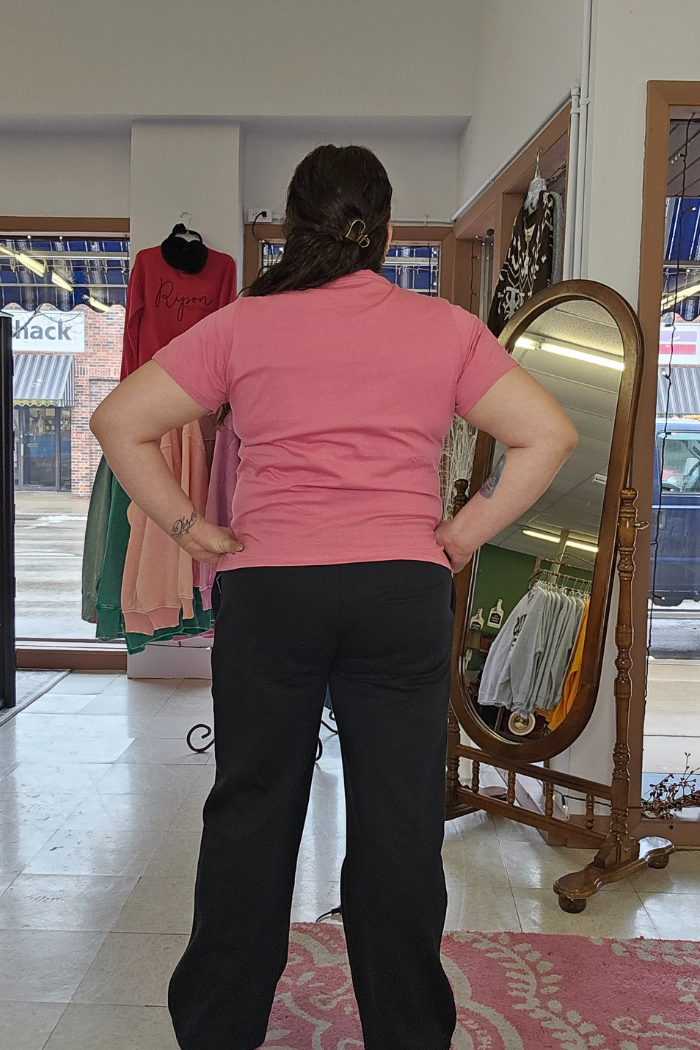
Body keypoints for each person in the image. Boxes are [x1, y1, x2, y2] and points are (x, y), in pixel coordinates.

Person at [90, 144, 577, 1050]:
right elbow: (547, 434)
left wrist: (191, 530)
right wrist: (461, 535)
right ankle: (408, 1033)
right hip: (400, 593)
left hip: (272, 592)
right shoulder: (444, 328)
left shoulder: (243, 324)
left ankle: (218, 1031)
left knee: (252, 809)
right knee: (398, 820)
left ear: (293, 228)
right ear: (384, 233)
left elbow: (118, 421)